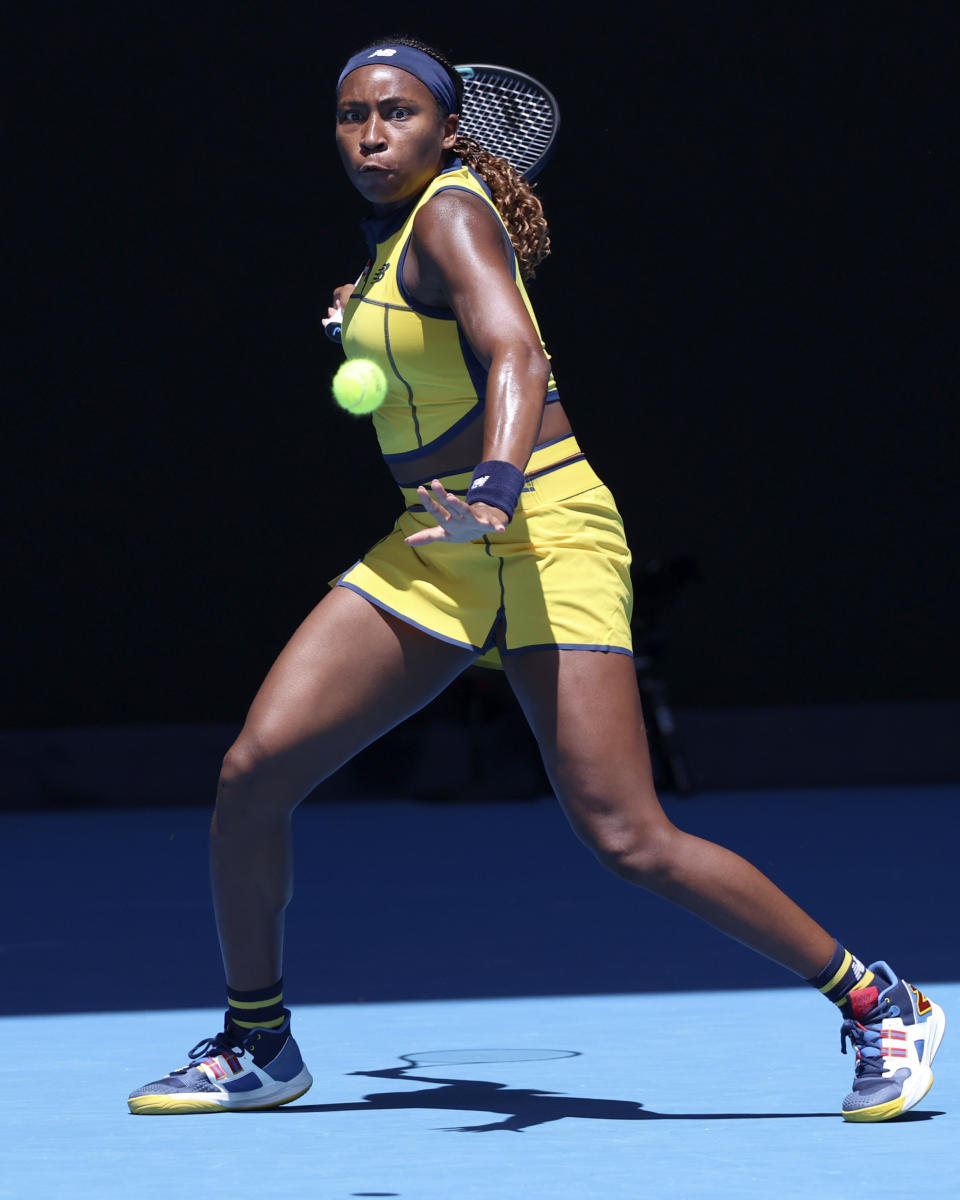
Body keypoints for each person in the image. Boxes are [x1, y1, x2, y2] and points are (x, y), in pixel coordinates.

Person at [127, 36, 944, 1121]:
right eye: (352, 115)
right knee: (253, 777)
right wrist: (365, 313)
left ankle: (876, 1000)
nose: (372, 134)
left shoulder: (456, 215)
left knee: (628, 837)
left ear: (446, 128)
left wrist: (499, 491)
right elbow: (433, 343)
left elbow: (517, 355)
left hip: (539, 525)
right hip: (434, 540)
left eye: (399, 113)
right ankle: (259, 1042)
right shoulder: (400, 240)